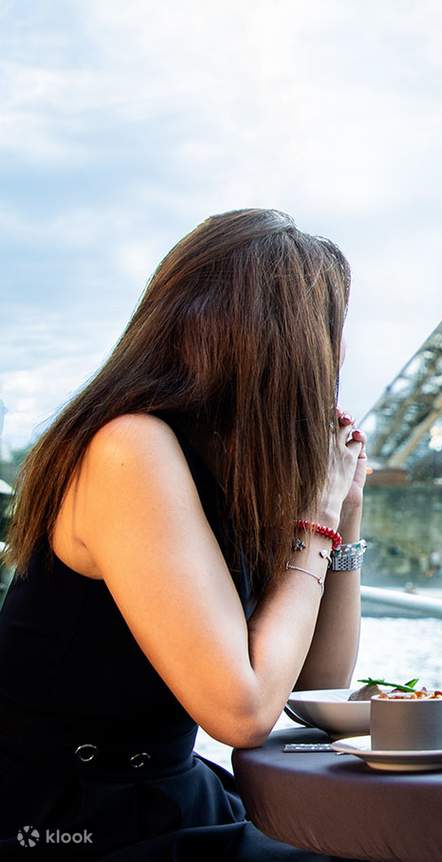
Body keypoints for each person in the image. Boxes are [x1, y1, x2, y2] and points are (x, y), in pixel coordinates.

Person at [0, 209, 366, 860]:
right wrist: (314, 519)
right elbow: (244, 714)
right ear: (287, 343)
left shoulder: (225, 472)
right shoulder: (129, 449)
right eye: (333, 332)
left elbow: (315, 689)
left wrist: (345, 513)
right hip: (65, 816)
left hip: (164, 796)